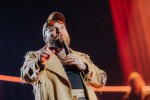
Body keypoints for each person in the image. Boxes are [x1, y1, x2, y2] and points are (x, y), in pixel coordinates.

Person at [20, 12, 107, 100]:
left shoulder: (81, 57)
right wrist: (39, 62)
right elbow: (26, 76)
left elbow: (101, 80)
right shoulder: (35, 56)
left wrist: (85, 67)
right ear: (45, 38)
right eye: (52, 29)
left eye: (62, 28)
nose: (59, 31)